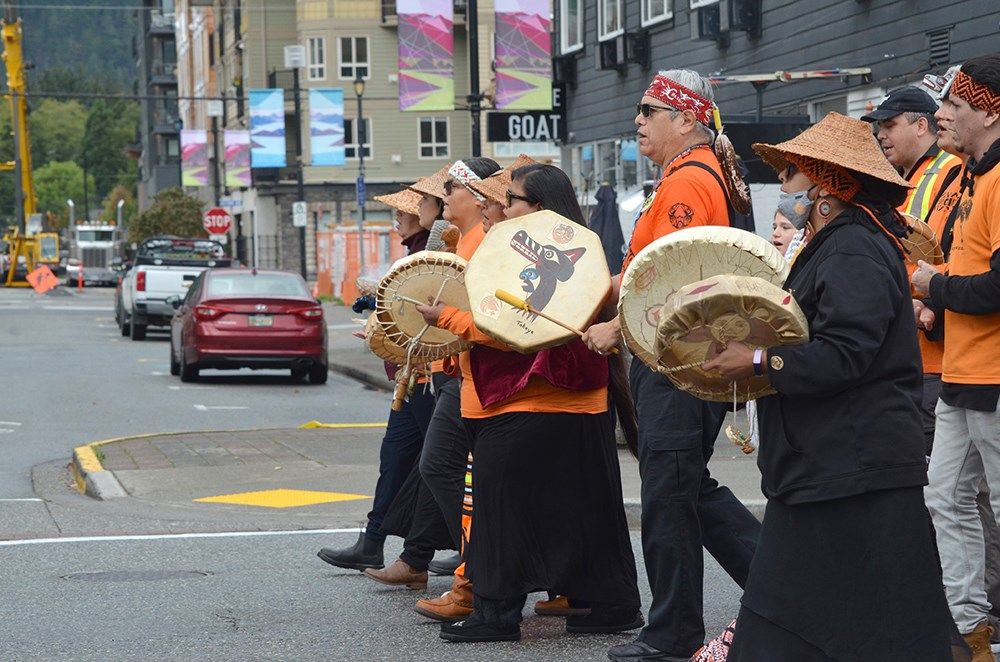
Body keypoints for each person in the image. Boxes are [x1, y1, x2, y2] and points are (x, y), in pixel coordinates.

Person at [703, 111, 967, 662]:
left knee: (859, 622)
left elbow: (846, 354)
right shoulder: (843, 244)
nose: (788, 186)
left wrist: (756, 357)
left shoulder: (851, 248)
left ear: (827, 187)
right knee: (827, 620)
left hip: (850, 466)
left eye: (797, 174)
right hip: (833, 465)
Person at [420, 163, 641, 643]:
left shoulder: (540, 251)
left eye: (510, 199)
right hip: (574, 399)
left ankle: (496, 612)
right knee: (583, 509)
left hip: (526, 397)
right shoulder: (576, 245)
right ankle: (608, 602)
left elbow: (513, 332)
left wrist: (449, 317)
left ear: (537, 208)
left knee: (500, 509)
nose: (494, 205)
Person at [581, 69, 761, 662]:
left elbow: (684, 287)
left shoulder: (687, 183)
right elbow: (644, 273)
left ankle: (672, 633)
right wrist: (588, 294)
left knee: (669, 496)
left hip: (678, 362)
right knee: (686, 490)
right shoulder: (692, 176)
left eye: (649, 109)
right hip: (682, 359)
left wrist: (617, 326)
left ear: (686, 119)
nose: (638, 119)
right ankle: (782, 590)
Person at [912, 54, 1000, 661]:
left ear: (991, 110)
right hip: (960, 374)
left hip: (994, 377)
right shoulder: (971, 176)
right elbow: (969, 271)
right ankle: (971, 628)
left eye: (957, 106)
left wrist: (931, 287)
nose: (942, 115)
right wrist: (934, 290)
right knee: (944, 498)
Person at [316, 188, 435, 578]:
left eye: (403, 212)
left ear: (424, 213)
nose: (396, 219)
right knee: (399, 459)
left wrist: (382, 317)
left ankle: (427, 552)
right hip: (410, 373)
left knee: (431, 464)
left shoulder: (429, 250)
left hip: (424, 372)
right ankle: (377, 541)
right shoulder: (418, 248)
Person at [862, 85, 963, 220]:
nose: (880, 135)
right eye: (880, 127)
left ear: (921, 126)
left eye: (889, 126)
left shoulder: (952, 168)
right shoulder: (896, 174)